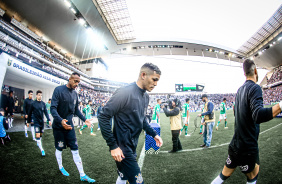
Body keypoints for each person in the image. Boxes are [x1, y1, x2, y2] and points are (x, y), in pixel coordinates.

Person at [211, 59, 282, 184]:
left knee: (223, 175)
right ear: (255, 70)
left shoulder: (239, 90)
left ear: (244, 74)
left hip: (235, 145)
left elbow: (236, 112)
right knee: (252, 177)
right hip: (247, 148)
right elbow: (258, 115)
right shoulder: (255, 88)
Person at [98, 63, 163, 184]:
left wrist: (154, 134)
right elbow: (103, 116)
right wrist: (113, 146)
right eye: (154, 79)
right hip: (121, 148)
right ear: (143, 75)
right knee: (138, 182)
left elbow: (142, 120)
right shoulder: (124, 92)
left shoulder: (146, 97)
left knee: (123, 177)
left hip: (132, 145)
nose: (156, 84)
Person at [51, 72, 95, 182]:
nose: (77, 84)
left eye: (78, 82)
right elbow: (53, 109)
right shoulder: (58, 90)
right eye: (75, 81)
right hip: (59, 127)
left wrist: (85, 119)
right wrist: (61, 121)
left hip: (70, 127)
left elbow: (76, 110)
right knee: (59, 148)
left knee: (75, 149)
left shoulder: (75, 94)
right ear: (70, 79)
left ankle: (82, 174)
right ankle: (61, 167)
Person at [28, 90, 51, 156]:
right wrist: (28, 121)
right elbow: (29, 113)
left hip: (41, 123)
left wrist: (49, 120)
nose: (40, 96)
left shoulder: (43, 104)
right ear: (36, 95)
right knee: (37, 136)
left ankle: (39, 142)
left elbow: (46, 113)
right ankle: (42, 150)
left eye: (41, 95)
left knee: (40, 135)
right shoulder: (33, 103)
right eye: (39, 95)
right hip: (36, 122)